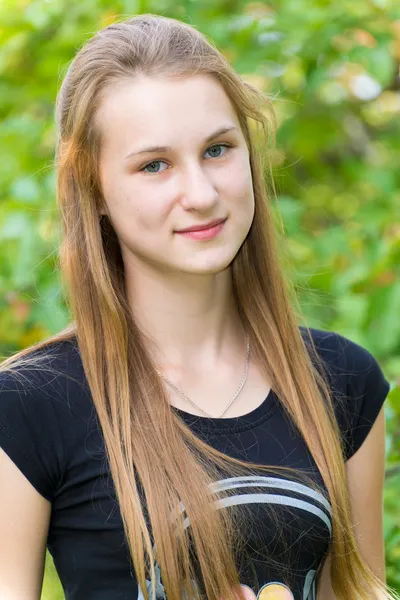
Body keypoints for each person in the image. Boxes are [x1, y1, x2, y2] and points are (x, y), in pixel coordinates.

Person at [0, 13, 397, 600]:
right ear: (93, 190)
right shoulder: (28, 406)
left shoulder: (343, 382)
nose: (202, 194)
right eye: (154, 165)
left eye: (217, 150)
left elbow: (357, 589)